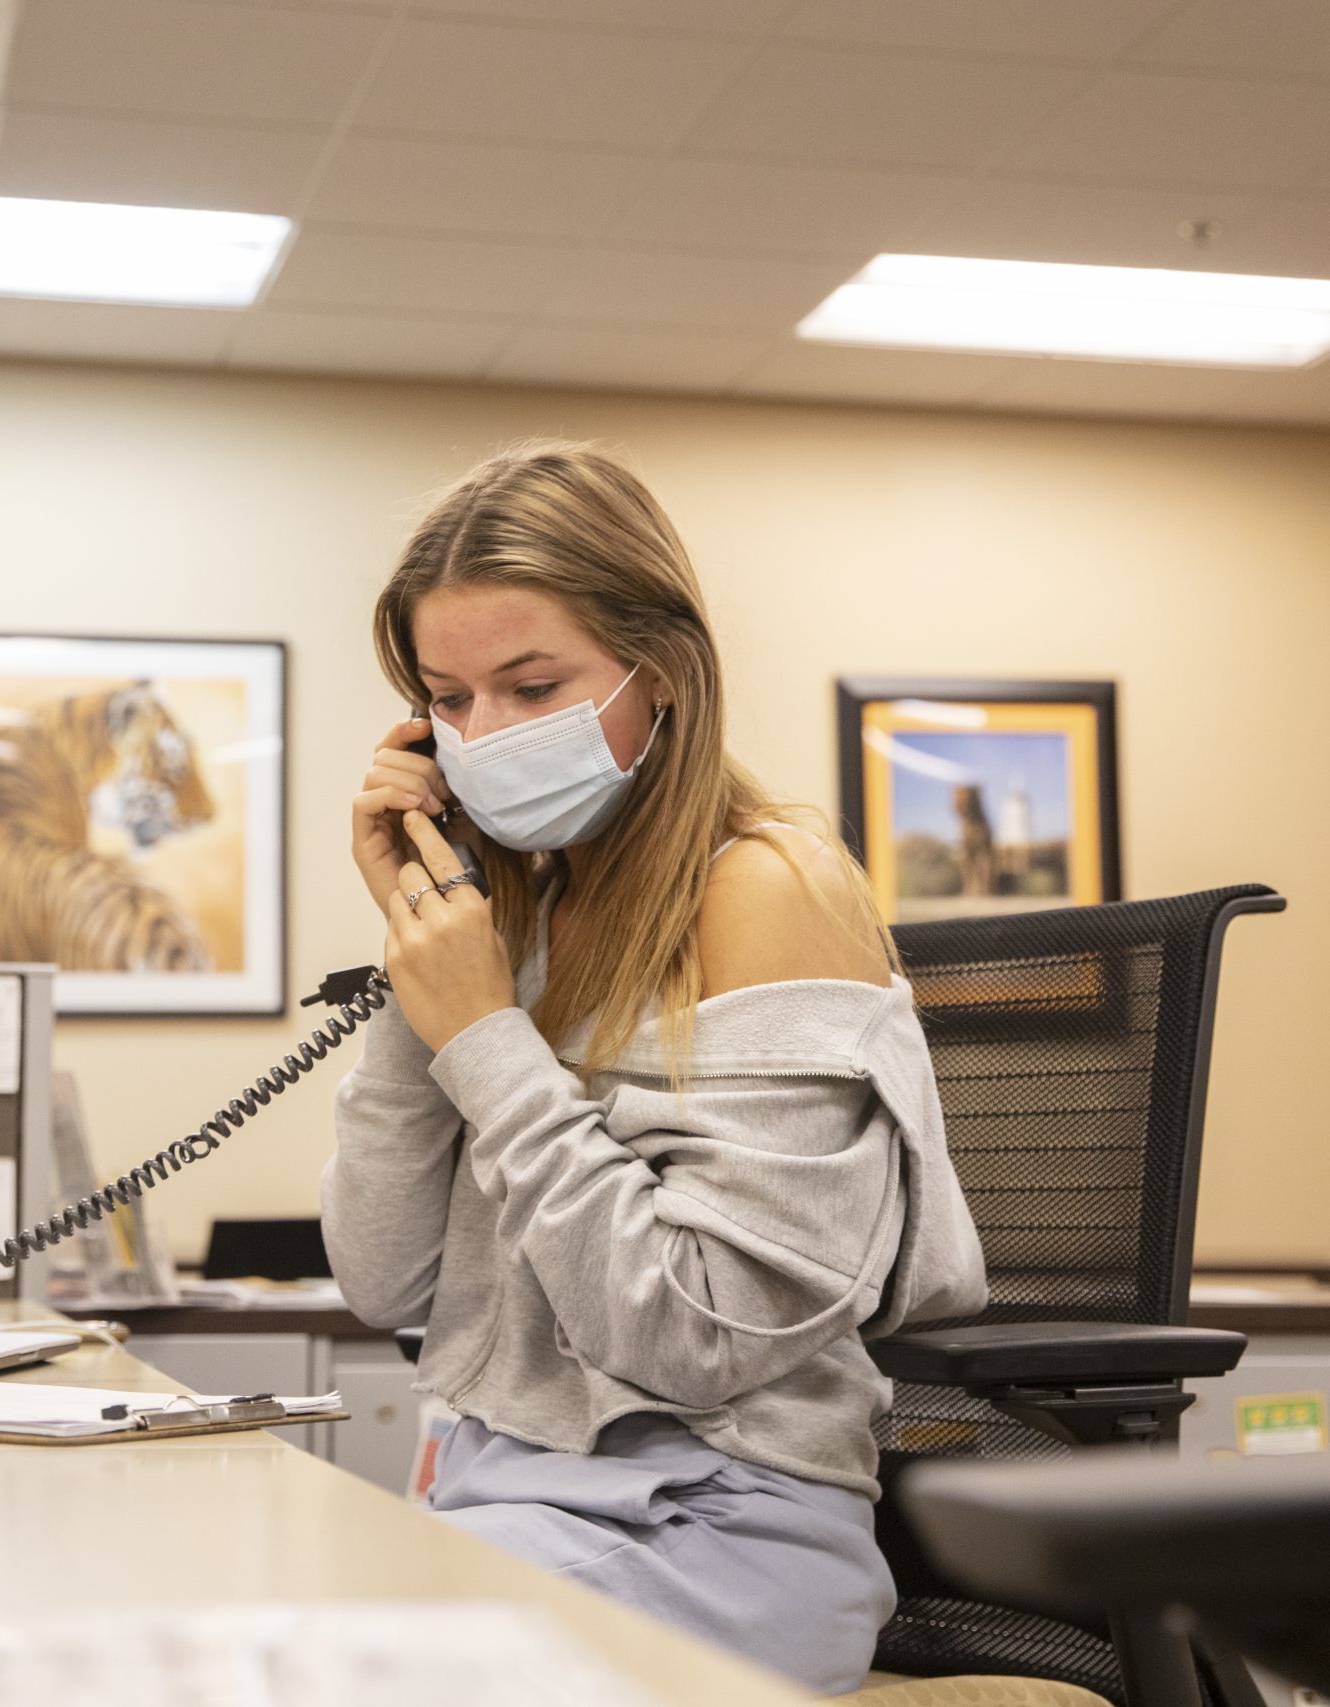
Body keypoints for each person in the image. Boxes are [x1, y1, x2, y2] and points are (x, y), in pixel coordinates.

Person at [320, 442, 988, 1695]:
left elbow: (695, 1341)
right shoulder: (509, 913)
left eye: (532, 686)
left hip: (714, 1530)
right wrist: (422, 955)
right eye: (449, 701)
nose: (484, 736)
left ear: (663, 668)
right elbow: (382, 1275)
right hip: (500, 1494)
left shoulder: (769, 888)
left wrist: (484, 1041)